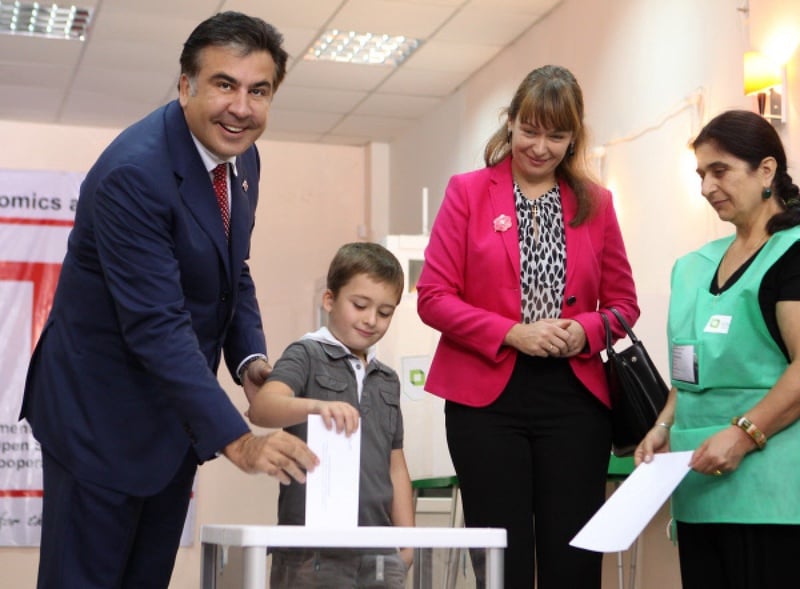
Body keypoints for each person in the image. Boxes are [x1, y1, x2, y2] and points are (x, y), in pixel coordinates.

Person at [19, 12, 319, 589]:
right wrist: (238, 442)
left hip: (169, 423)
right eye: (224, 85)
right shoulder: (134, 174)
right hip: (97, 419)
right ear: (186, 86)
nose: (241, 107)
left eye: (259, 91)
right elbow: (156, 325)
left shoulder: (241, 160)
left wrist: (252, 362)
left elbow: (235, 274)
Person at [416, 64, 639, 589]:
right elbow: (433, 298)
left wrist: (586, 330)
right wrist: (512, 332)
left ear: (573, 138)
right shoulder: (468, 192)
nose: (540, 147)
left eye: (556, 136)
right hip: (485, 401)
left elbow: (624, 305)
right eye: (530, 130)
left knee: (575, 558)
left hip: (576, 400)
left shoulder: (597, 203)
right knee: (501, 560)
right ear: (510, 123)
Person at [635, 109, 800, 589]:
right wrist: (665, 425)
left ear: (766, 170)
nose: (707, 187)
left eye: (720, 170)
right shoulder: (693, 266)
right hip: (699, 482)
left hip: (772, 488)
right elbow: (691, 373)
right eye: (701, 174)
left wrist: (744, 434)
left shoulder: (790, 252)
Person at [246, 242, 414, 588]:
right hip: (312, 551)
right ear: (329, 300)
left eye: (384, 313)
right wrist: (316, 407)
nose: (371, 320)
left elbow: (395, 462)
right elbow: (262, 408)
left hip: (377, 549)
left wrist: (408, 541)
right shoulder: (306, 354)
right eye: (360, 305)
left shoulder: (387, 379)